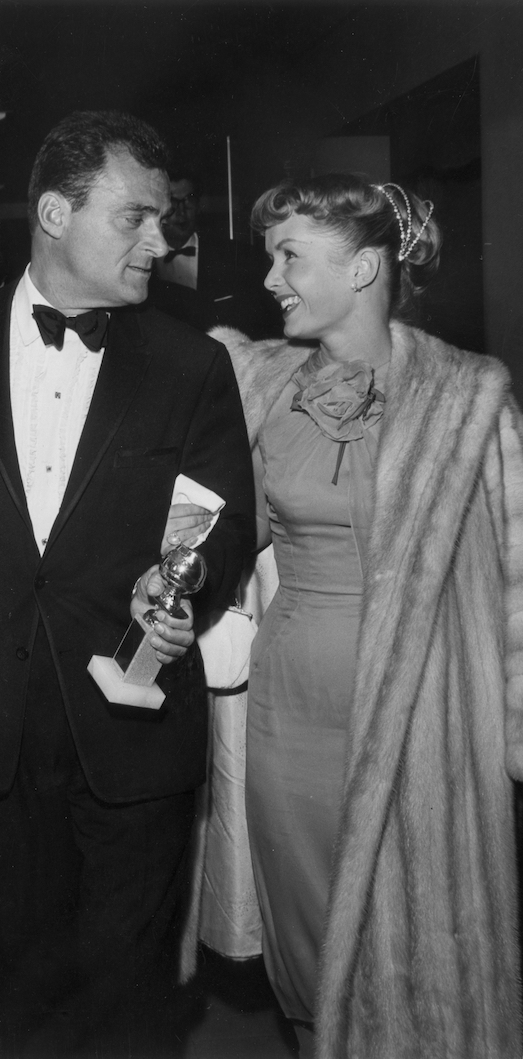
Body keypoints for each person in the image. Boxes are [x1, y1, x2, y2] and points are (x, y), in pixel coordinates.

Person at [0, 110, 254, 1056]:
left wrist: (179, 588)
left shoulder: (193, 365)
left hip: (131, 736)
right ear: (55, 213)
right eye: (134, 216)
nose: (161, 237)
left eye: (165, 218)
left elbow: (222, 526)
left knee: (127, 1008)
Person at [204, 173, 523, 1057]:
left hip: (426, 712)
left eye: (290, 257)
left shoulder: (469, 402)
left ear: (365, 268)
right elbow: (226, 539)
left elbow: (517, 582)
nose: (270, 278)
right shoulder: (261, 386)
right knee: (311, 948)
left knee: (426, 950)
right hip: (289, 708)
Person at [147, 166, 279, 337]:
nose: (182, 211)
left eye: (189, 199)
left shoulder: (237, 256)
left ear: (199, 205)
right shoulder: (143, 259)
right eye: (173, 202)